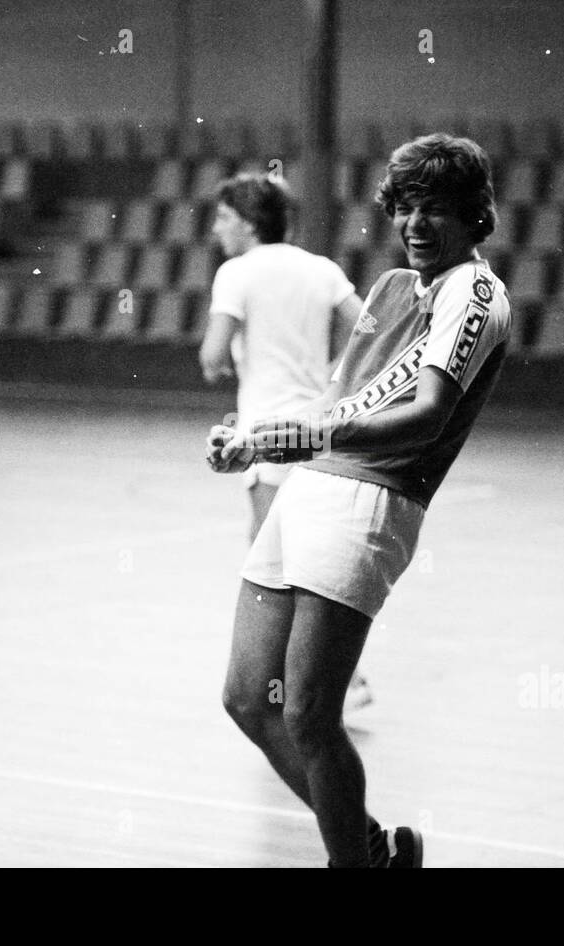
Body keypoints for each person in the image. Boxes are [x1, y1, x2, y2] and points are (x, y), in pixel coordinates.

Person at [205, 134, 513, 867]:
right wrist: (250, 440)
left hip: (372, 502)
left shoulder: (476, 294)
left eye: (435, 209)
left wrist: (312, 431)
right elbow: (333, 396)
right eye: (405, 208)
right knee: (250, 697)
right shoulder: (388, 288)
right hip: (308, 487)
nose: (414, 224)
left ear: (474, 218)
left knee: (310, 712)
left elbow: (428, 412)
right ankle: (370, 849)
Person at [197, 172, 374, 713]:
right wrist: (333, 373)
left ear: (249, 222)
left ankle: (334, 681)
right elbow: (369, 327)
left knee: (280, 565)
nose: (217, 228)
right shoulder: (321, 269)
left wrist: (228, 362)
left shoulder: (236, 273)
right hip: (321, 435)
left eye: (225, 217)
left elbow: (211, 356)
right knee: (295, 555)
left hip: (267, 439)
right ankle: (307, 679)